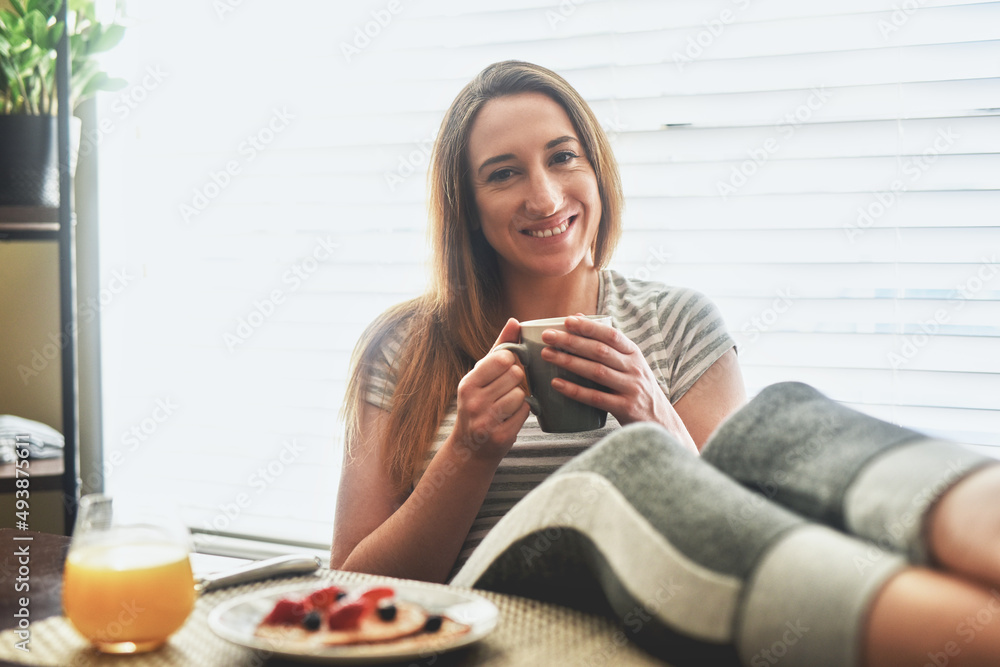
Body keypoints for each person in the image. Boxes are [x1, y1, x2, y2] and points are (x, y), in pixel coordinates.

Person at [332, 60, 1000, 666]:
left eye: (563, 158)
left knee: (785, 415)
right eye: (503, 173)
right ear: (470, 208)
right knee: (624, 471)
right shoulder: (403, 347)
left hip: (669, 608)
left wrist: (653, 411)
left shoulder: (679, 322)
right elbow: (346, 585)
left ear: (597, 172)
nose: (543, 194)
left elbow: (745, 524)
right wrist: (469, 452)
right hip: (482, 616)